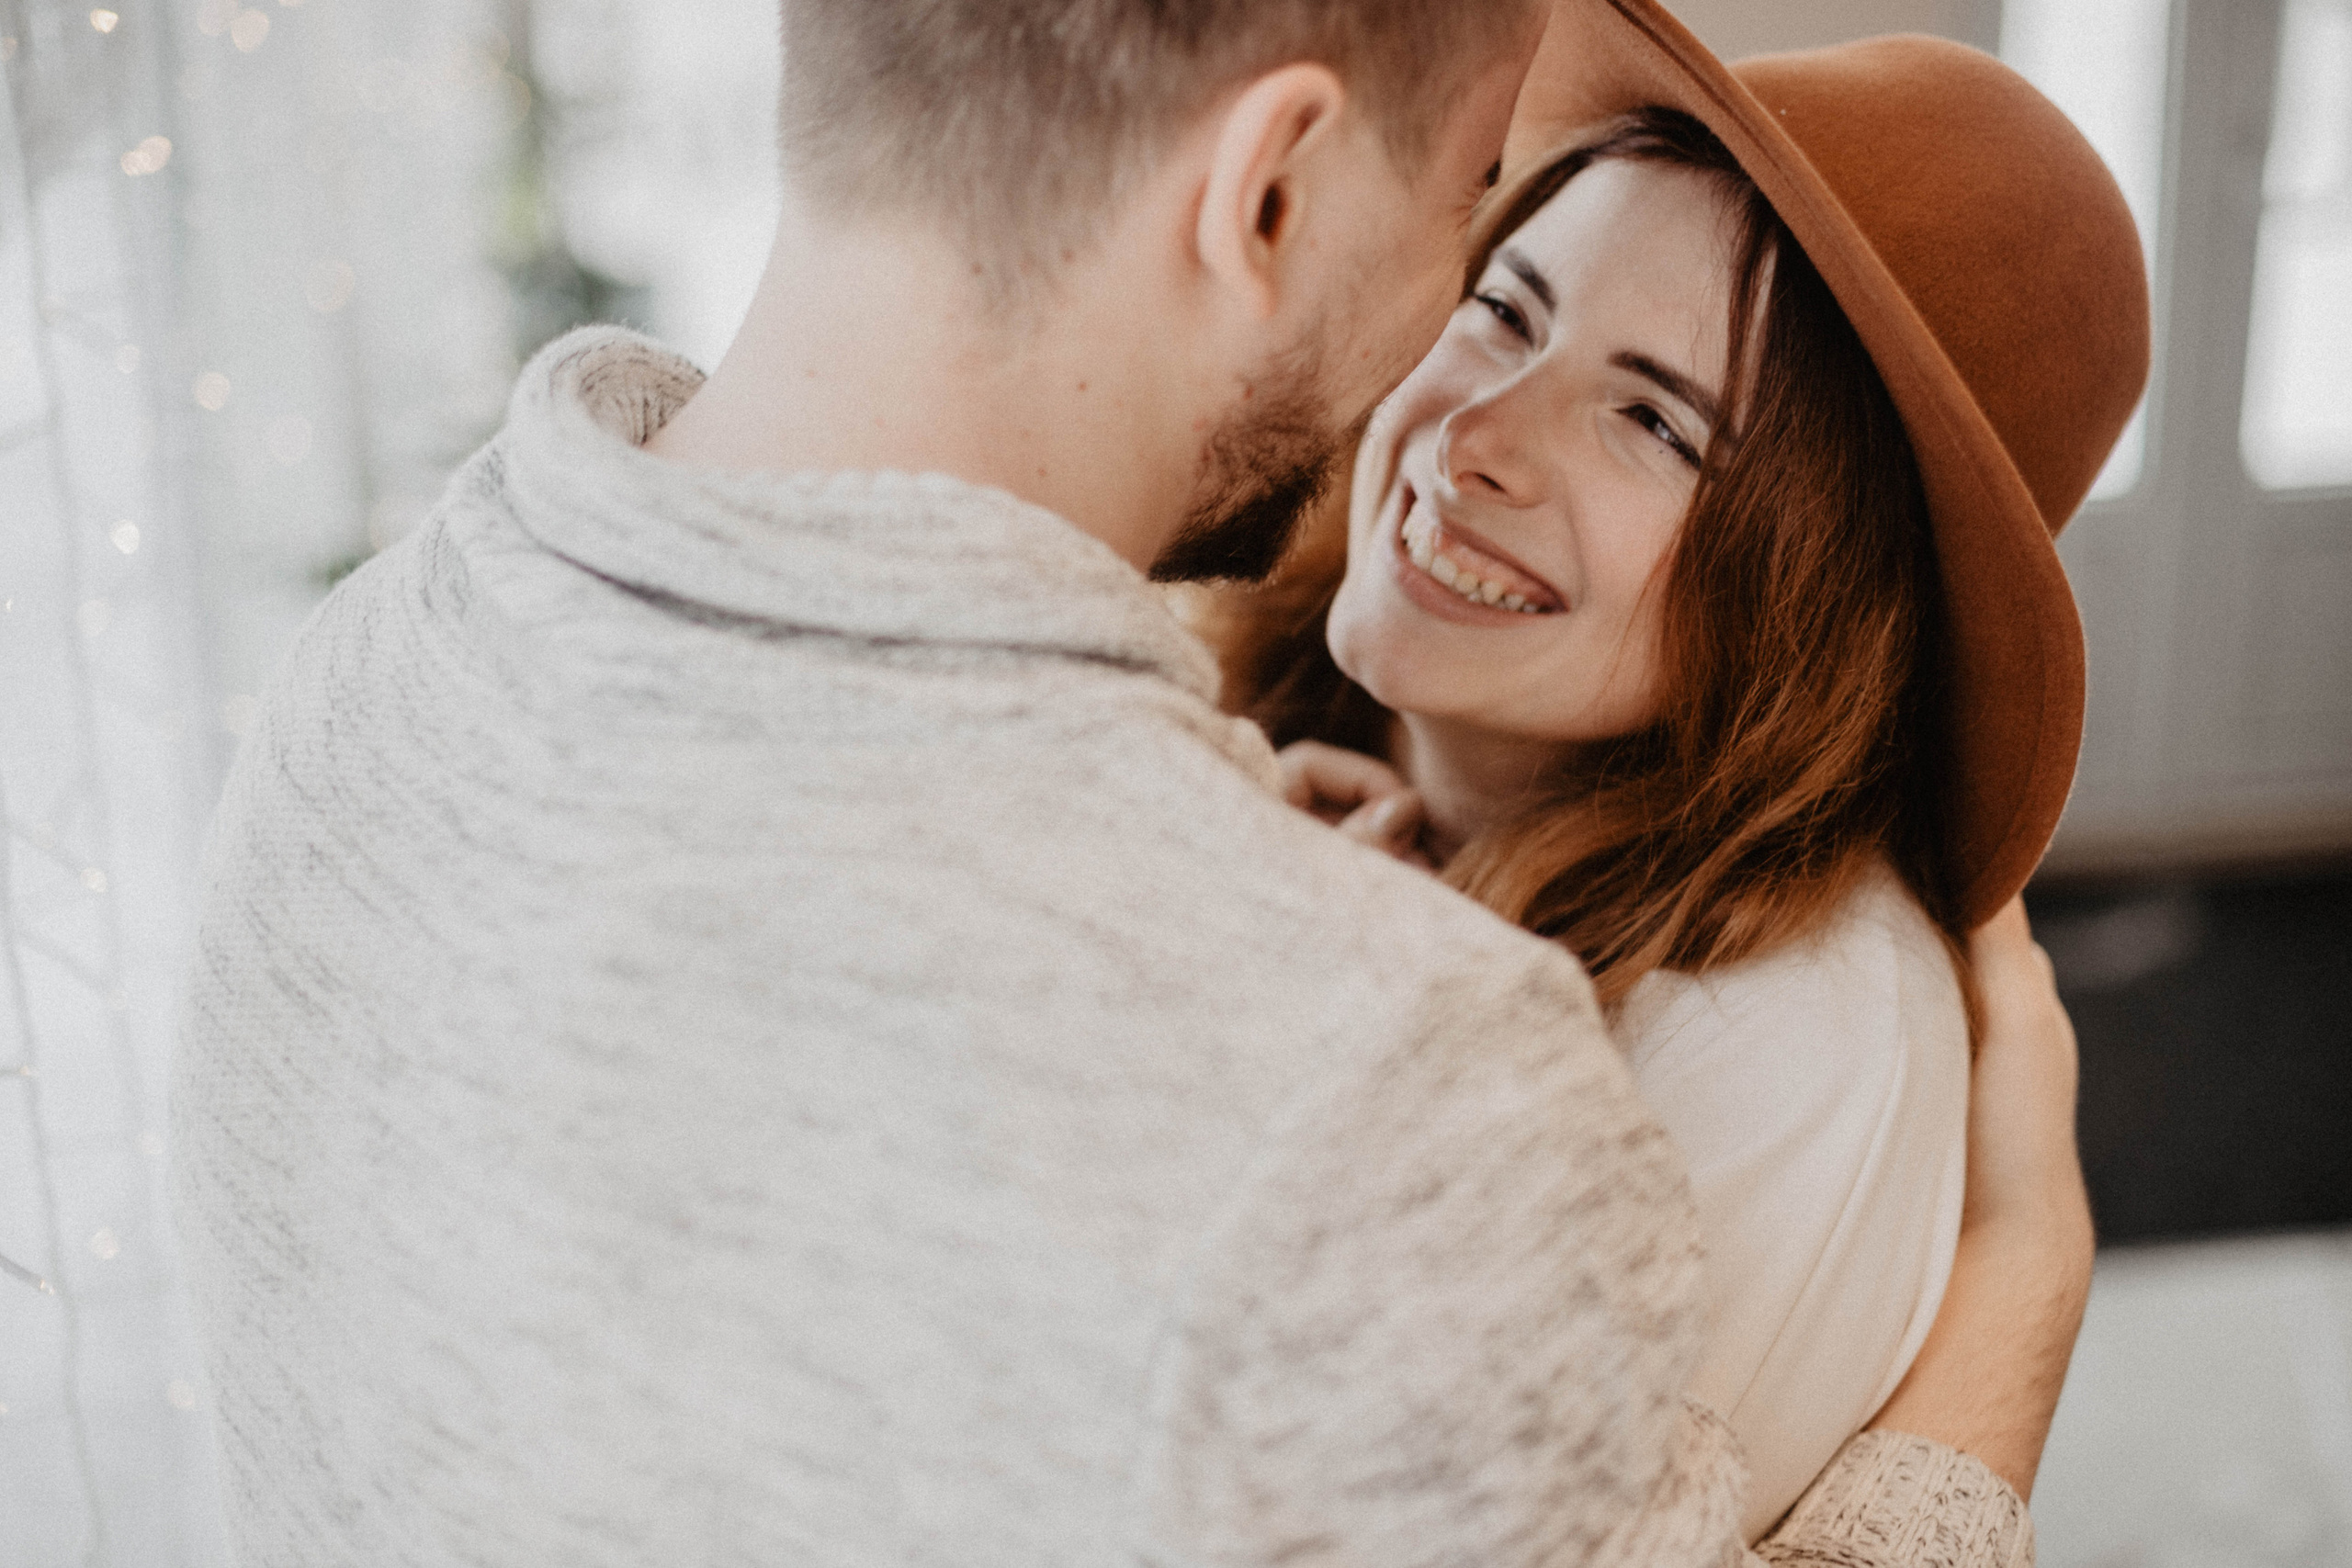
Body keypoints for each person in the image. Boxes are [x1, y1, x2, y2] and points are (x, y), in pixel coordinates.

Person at [171, 2, 2097, 1563]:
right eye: (1471, 225)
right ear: (1266, 190)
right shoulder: (1389, 1099)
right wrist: (2008, 1320)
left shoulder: (361, 676)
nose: (1458, 375)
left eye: (1652, 411)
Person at [1201, 31, 2146, 1538]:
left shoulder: (1772, 1040)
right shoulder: (1228, 687)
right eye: (1509, 308)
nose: (1475, 439)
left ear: (1812, 592)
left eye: (1654, 421)